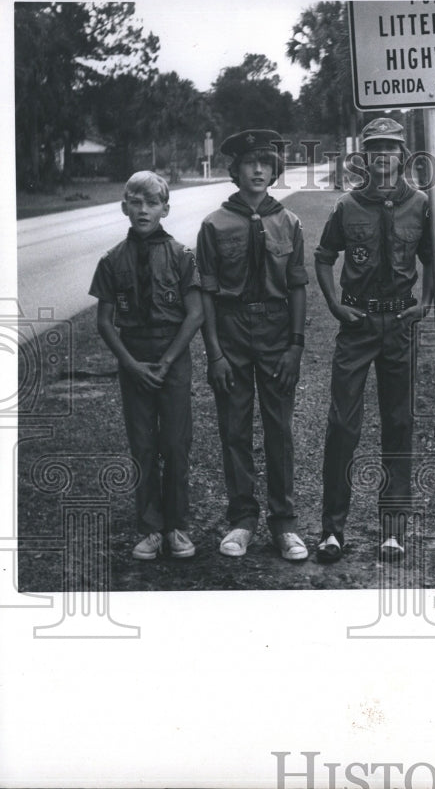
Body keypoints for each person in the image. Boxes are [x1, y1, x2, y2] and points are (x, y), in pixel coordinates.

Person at [314, 117, 433, 564]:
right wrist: (334, 305)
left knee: (398, 423)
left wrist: (427, 301)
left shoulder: (419, 203)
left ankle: (393, 530)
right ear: (363, 157)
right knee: (343, 424)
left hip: (399, 324)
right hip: (358, 324)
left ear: (403, 155)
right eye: (375, 149)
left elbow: (432, 256)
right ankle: (332, 530)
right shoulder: (347, 206)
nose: (383, 156)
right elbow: (324, 257)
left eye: (391, 148)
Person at [196, 129, 310, 561]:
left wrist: (296, 345)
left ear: (276, 170)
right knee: (234, 430)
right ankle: (242, 520)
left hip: (277, 332)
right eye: (249, 163)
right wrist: (215, 354)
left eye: (266, 163)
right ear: (235, 170)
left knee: (279, 430)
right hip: (231, 332)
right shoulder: (214, 225)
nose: (258, 170)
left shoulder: (289, 223)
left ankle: (284, 524)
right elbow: (206, 292)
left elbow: (297, 286)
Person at [89, 171, 203, 560]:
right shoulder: (111, 261)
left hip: (173, 358)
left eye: (152, 203)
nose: (143, 210)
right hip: (133, 359)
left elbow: (195, 314)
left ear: (165, 209)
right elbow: (104, 321)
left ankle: (176, 526)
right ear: (124, 207)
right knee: (142, 445)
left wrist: (168, 360)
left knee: (174, 443)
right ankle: (151, 528)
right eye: (135, 202)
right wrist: (131, 364)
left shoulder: (182, 255)